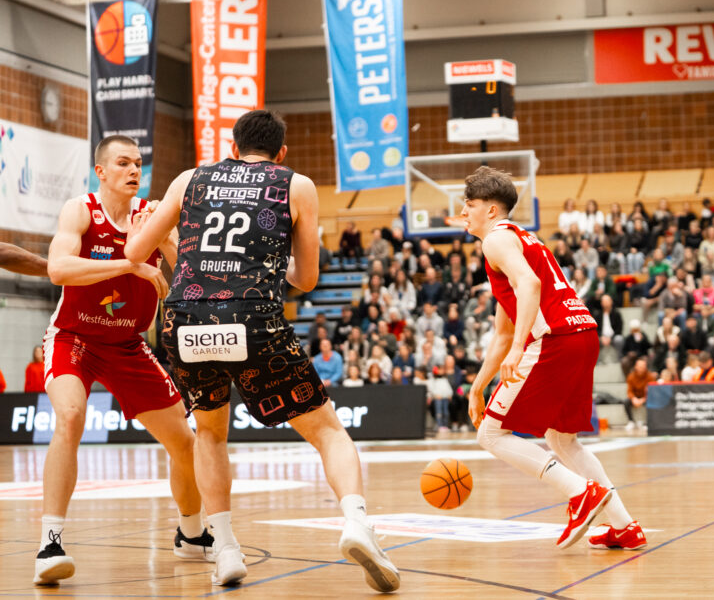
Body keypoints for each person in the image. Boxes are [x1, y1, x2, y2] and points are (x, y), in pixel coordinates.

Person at [124, 110, 399, 591]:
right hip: (252, 320)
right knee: (328, 432)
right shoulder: (297, 185)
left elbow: (133, 255)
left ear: (232, 148)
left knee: (210, 434)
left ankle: (226, 548)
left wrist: (165, 238)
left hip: (185, 321)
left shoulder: (189, 179)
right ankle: (357, 524)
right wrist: (271, 260)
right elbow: (306, 279)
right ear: (281, 152)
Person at [36, 135, 211, 586]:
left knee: (185, 442)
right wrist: (129, 264)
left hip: (127, 345)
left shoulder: (151, 215)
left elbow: (188, 277)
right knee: (70, 417)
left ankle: (192, 534)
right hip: (74, 338)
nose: (134, 170)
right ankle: (50, 543)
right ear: (101, 171)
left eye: (138, 163)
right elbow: (58, 269)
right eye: (123, 163)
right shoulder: (80, 210)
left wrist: (166, 240)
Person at [462, 165, 647, 552]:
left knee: (491, 434)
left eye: (470, 204)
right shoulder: (520, 239)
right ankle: (624, 526)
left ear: (491, 210)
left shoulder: (495, 240)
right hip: (582, 332)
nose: (464, 211)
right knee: (562, 440)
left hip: (556, 338)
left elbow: (529, 286)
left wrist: (519, 350)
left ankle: (580, 493)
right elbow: (503, 333)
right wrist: (478, 388)